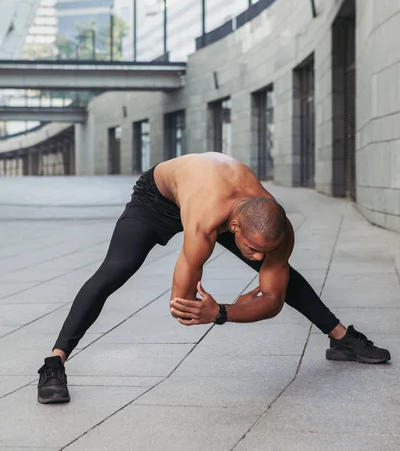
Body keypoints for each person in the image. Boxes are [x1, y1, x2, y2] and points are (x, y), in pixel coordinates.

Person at [37, 152, 391, 404]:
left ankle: (341, 337)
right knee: (115, 270)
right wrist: (204, 309)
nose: (255, 257)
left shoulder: (273, 227)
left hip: (227, 205)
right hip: (159, 197)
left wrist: (222, 312)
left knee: (282, 275)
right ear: (233, 228)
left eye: (262, 251)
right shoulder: (206, 224)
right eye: (251, 249)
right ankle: (54, 362)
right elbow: (182, 306)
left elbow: (273, 299)